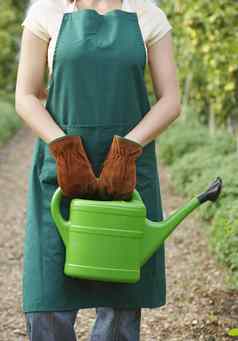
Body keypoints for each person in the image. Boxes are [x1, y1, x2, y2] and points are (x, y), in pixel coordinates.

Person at [15, 0, 181, 340]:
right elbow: (26, 96)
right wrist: (64, 148)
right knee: (48, 299)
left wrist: (128, 149)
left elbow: (170, 100)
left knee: (119, 299)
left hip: (126, 176)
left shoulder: (148, 15)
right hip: (61, 175)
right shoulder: (46, 12)